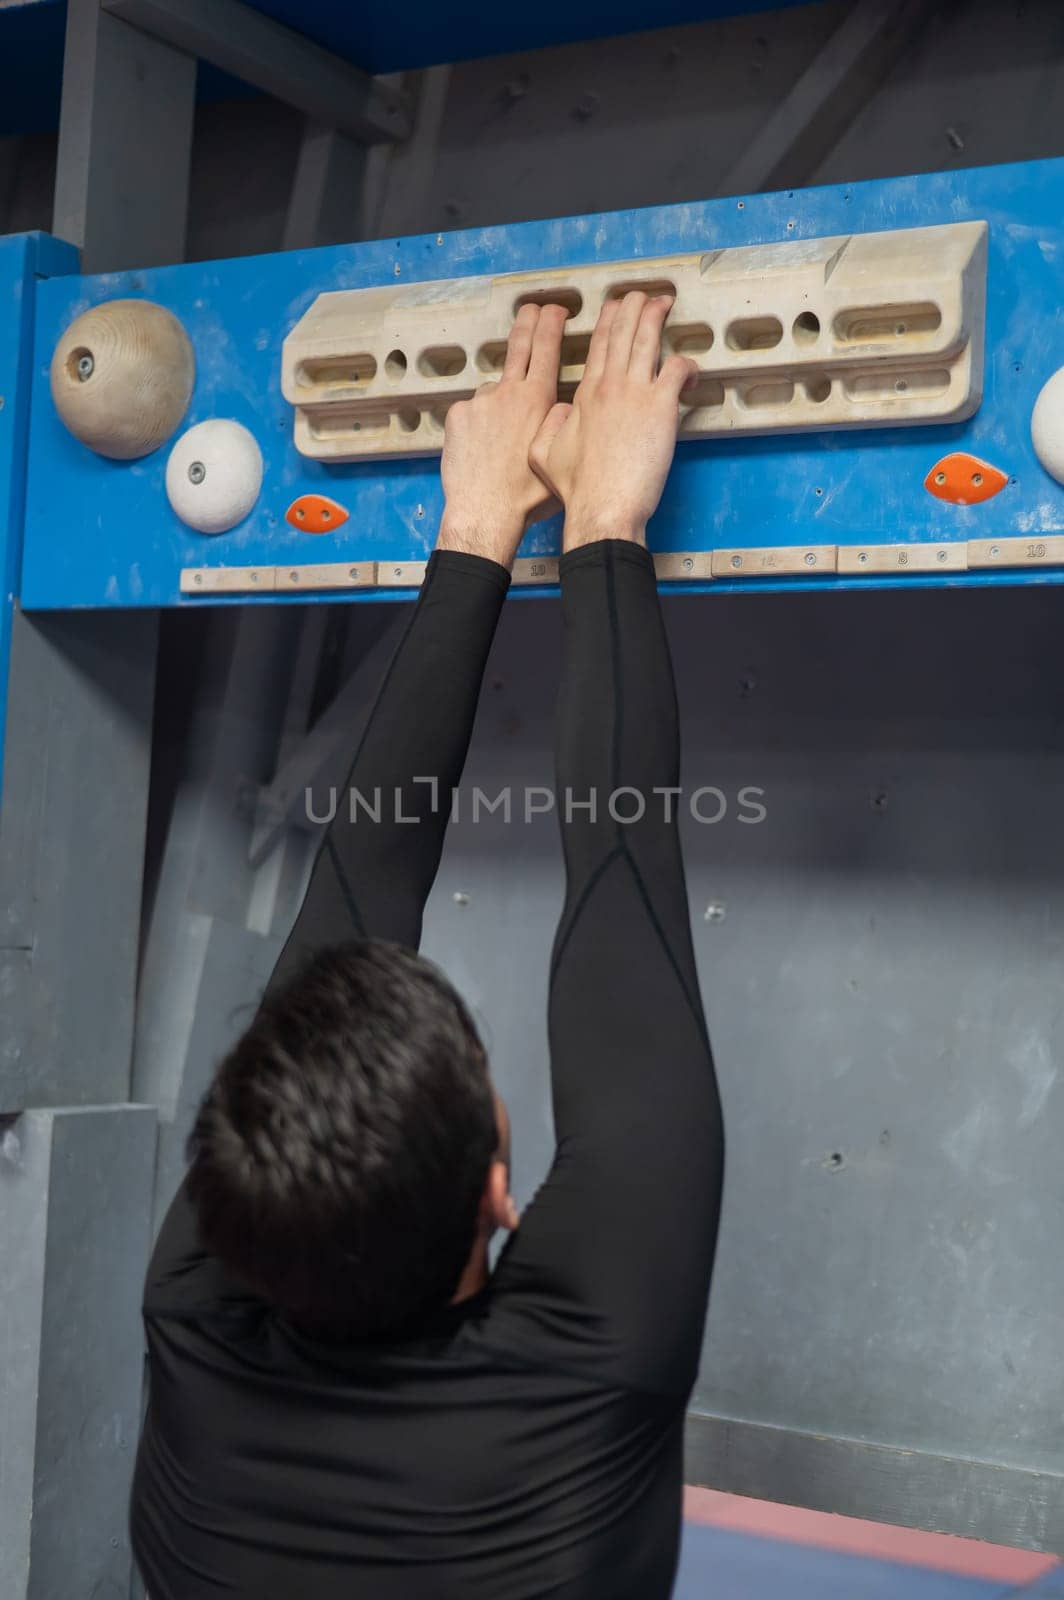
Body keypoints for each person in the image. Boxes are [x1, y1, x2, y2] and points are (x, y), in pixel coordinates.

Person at [130, 291, 726, 1600]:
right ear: (496, 1200)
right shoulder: (586, 1369)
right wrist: (580, 526)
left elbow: (358, 911)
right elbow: (590, 882)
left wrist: (536, 529)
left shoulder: (201, 1314)